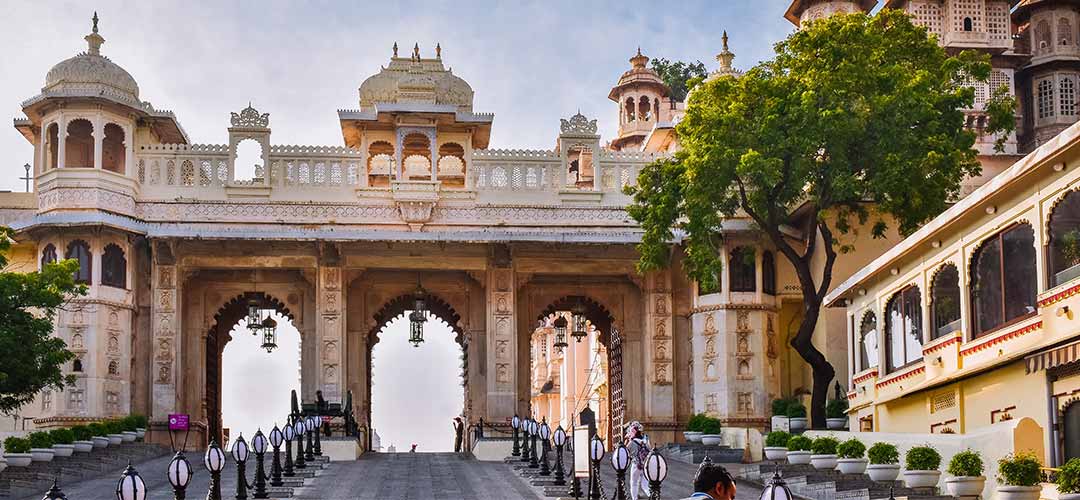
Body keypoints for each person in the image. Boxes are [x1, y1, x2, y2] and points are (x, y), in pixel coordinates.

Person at [625, 421, 650, 500]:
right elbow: (650, 449)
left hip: (636, 464)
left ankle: (634, 498)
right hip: (645, 464)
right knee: (645, 483)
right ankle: (651, 495)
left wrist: (628, 439)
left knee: (634, 483)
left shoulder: (632, 441)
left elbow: (625, 450)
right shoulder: (646, 439)